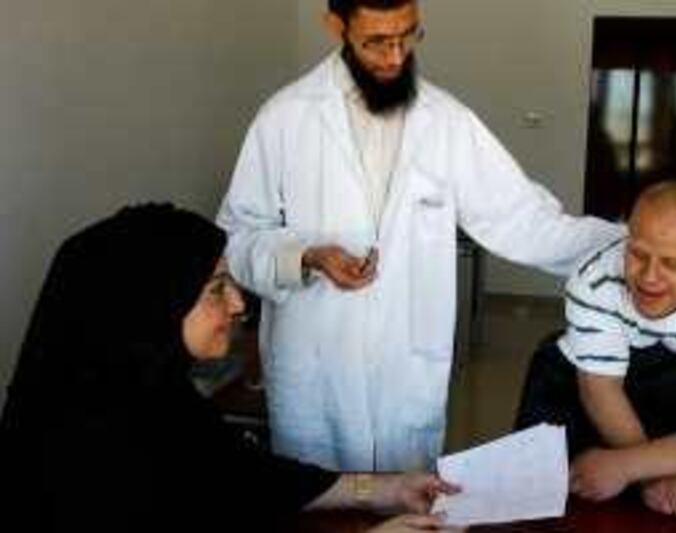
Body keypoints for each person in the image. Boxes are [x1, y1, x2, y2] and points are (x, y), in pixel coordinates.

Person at [216, 0, 622, 472]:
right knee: (317, 505)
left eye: (408, 36)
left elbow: (525, 222)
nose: (395, 57)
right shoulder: (284, 119)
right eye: (376, 42)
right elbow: (239, 236)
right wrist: (306, 256)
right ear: (336, 26)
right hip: (316, 376)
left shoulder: (447, 122)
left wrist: (632, 247)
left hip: (404, 377)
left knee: (407, 508)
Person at [0, 204, 459, 532]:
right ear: (153, 305)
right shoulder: (82, 455)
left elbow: (247, 479)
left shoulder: (154, 398)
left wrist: (385, 490)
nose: (239, 304)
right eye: (217, 289)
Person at [515, 181, 676, 517]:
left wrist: (627, 467)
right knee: (553, 496)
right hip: (606, 393)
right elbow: (600, 387)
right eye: (638, 254)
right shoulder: (594, 277)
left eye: (671, 263)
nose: (648, 278)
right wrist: (649, 476)